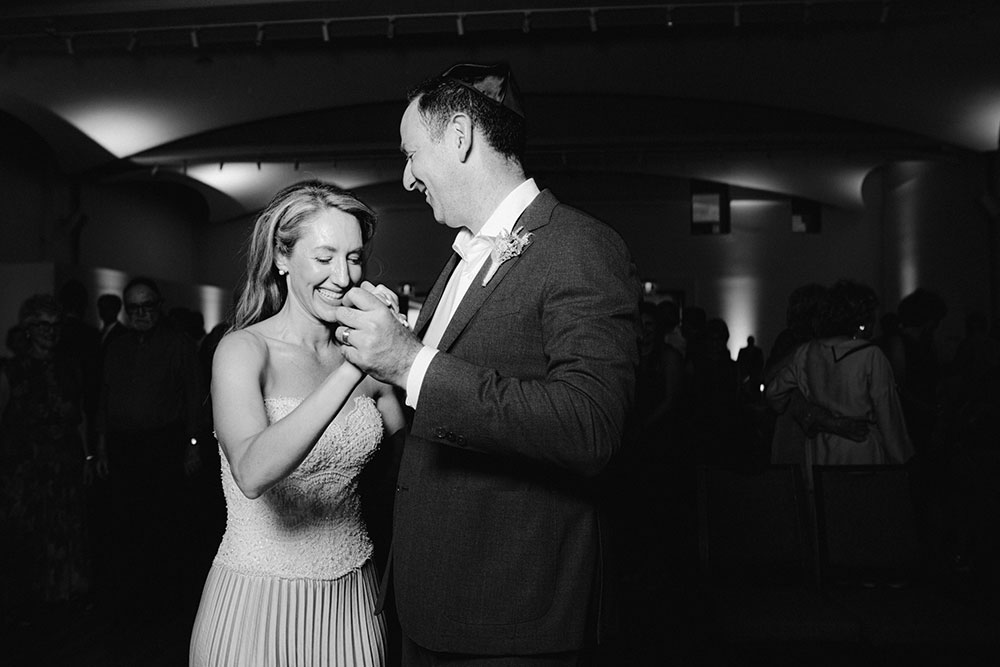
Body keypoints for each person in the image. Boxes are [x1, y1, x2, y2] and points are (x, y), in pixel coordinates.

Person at [334, 62, 640, 664]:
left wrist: (409, 360)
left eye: (412, 153)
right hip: (430, 597)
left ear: (459, 135)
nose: (407, 178)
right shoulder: (460, 257)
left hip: (511, 607)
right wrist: (381, 363)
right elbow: (433, 402)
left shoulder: (579, 245)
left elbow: (590, 425)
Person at [189, 181, 405, 666]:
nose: (344, 276)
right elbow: (251, 470)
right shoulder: (244, 350)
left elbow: (411, 463)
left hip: (353, 596)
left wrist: (401, 355)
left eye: (354, 258)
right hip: (257, 598)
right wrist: (354, 367)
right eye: (324, 257)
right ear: (282, 259)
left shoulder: (370, 356)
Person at [95, 276, 203, 620]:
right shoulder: (116, 347)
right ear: (126, 311)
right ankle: (132, 602)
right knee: (126, 525)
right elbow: (103, 400)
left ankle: (166, 603)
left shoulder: (179, 343)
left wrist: (192, 445)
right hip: (124, 449)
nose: (141, 313)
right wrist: (98, 449)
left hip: (165, 447)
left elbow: (194, 399)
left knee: (165, 525)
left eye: (147, 305)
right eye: (134, 307)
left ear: (159, 306)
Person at [0, 295, 92, 625]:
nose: (49, 332)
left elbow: (79, 417)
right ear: (28, 329)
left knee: (67, 531)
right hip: (26, 469)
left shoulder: (70, 367)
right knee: (31, 534)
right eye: (42, 325)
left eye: (55, 326)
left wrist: (86, 457)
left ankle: (65, 598)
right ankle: (29, 603)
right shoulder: (11, 370)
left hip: (65, 465)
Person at [766, 280, 914, 479]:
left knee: (827, 503)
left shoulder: (805, 352)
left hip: (821, 451)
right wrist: (902, 461)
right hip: (862, 449)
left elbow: (774, 393)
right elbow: (888, 414)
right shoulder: (870, 355)